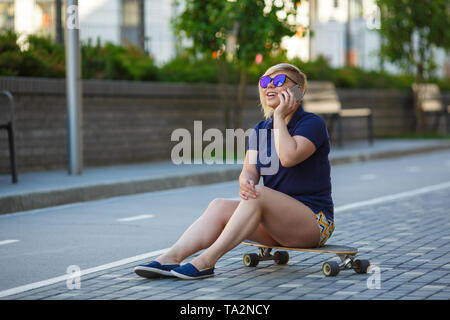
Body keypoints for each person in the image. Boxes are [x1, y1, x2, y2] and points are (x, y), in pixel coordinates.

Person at [134, 63, 335, 280]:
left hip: (314, 223)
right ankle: (170, 258)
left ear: (297, 91)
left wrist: (278, 117)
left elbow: (288, 157)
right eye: (265, 81)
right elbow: (249, 170)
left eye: (278, 81)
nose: (269, 86)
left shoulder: (312, 123)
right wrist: (245, 181)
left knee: (260, 195)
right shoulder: (261, 129)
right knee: (219, 205)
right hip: (277, 226)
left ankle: (205, 262)